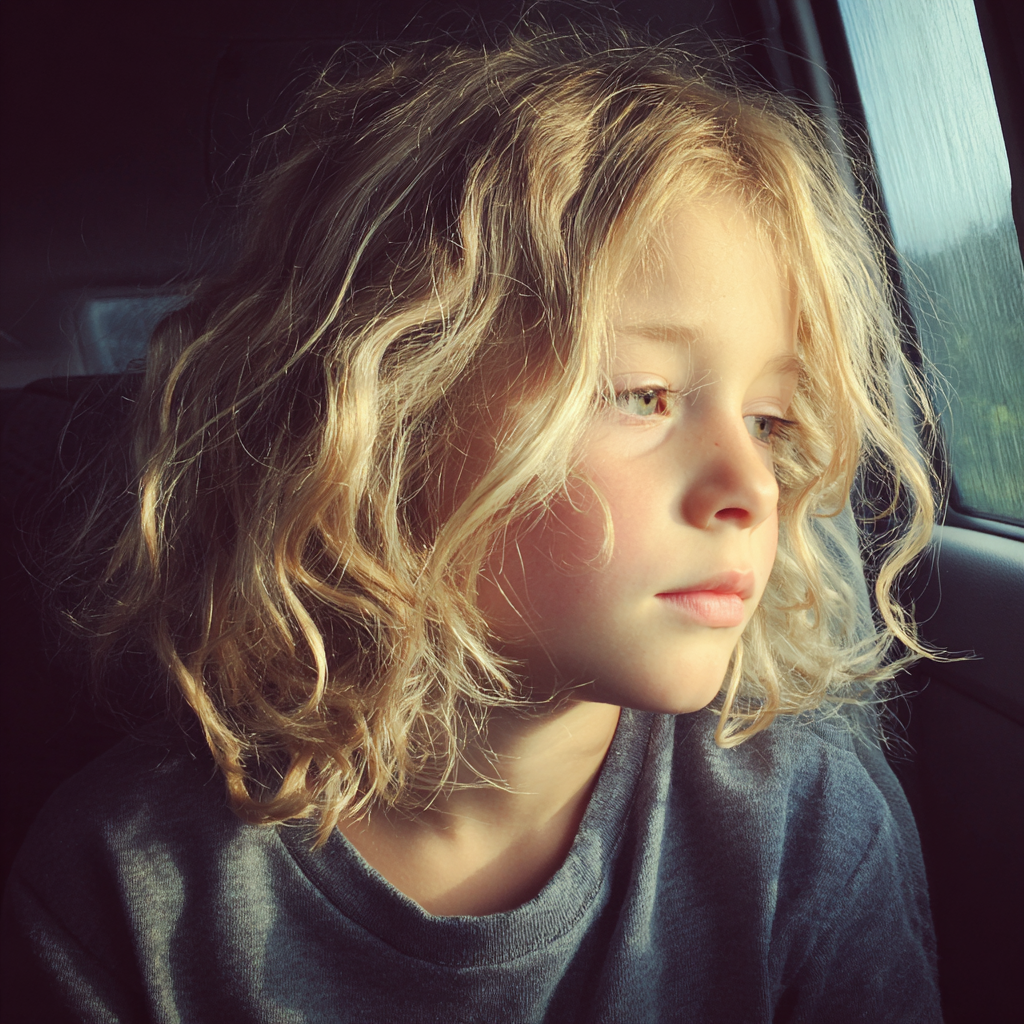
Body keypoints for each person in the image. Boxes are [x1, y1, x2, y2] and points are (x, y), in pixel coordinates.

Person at [1, 27, 944, 1023]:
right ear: (384, 422)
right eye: (642, 394)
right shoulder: (126, 887)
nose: (748, 482)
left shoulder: (807, 826)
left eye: (769, 420)